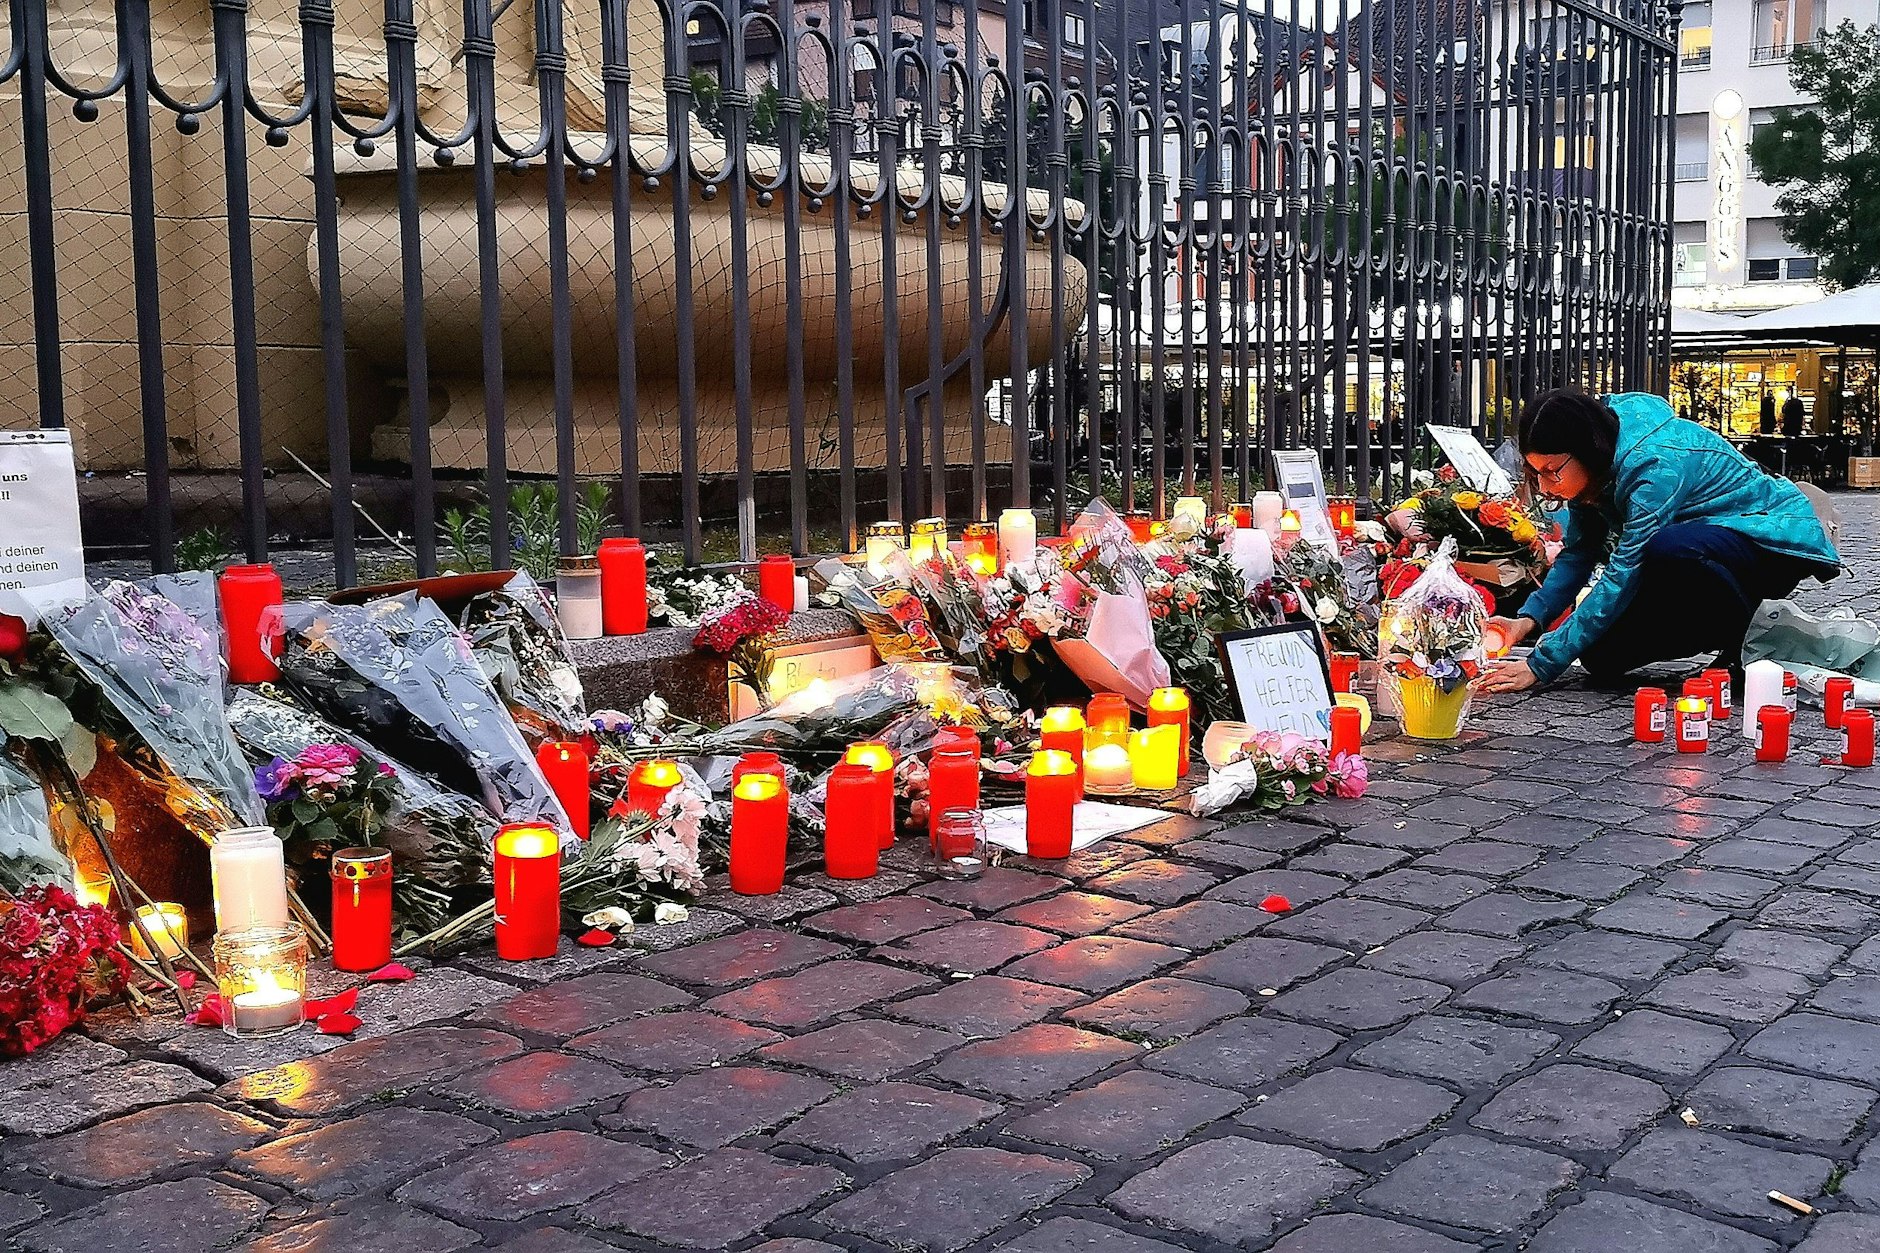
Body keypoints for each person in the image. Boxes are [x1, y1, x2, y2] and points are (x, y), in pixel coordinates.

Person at [1476, 388, 1840, 693]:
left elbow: (1626, 569)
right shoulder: (1594, 467)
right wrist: (1528, 620)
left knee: (1667, 548)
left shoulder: (1655, 465)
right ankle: (1715, 626)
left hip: (1767, 540)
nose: (1544, 486)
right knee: (1600, 656)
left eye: (1551, 471)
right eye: (1535, 473)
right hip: (1700, 547)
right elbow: (1578, 553)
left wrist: (1541, 664)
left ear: (1587, 450)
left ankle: (1747, 644)